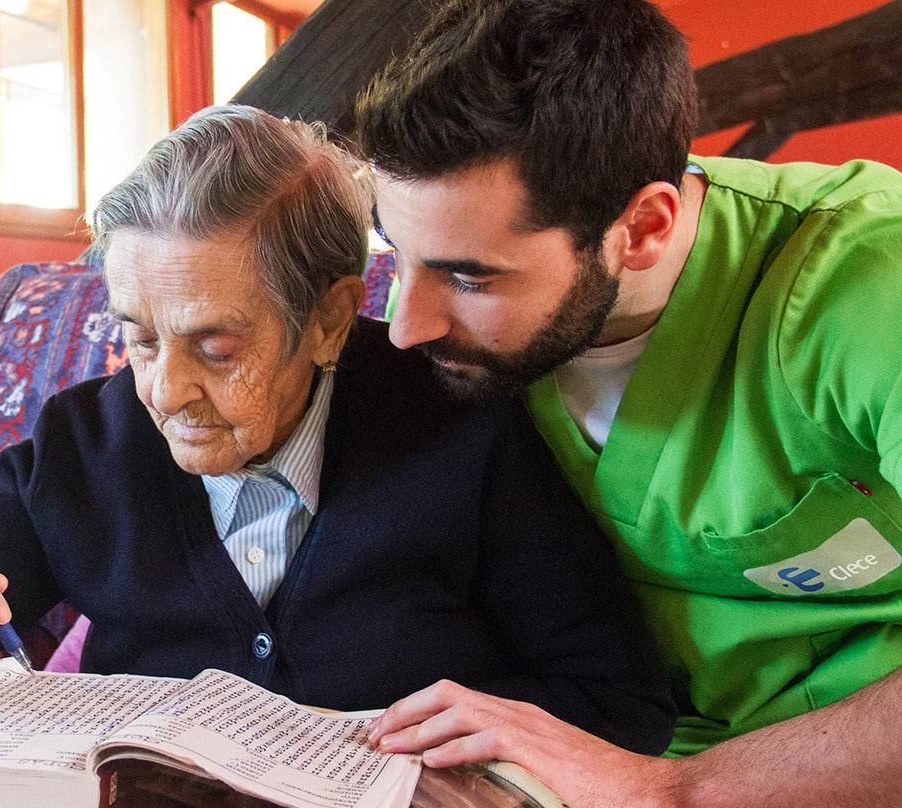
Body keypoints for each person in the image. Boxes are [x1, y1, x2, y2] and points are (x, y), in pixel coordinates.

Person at [0, 104, 674, 755]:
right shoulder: (82, 450)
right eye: (137, 336)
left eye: (215, 346)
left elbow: (620, 697)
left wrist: (470, 733)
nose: (166, 390)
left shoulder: (459, 428)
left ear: (327, 320)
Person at [354, 0, 902, 805]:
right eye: (395, 253)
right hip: (622, 740)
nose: (406, 328)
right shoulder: (472, 346)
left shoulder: (868, 287)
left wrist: (668, 788)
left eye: (470, 276)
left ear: (642, 226)